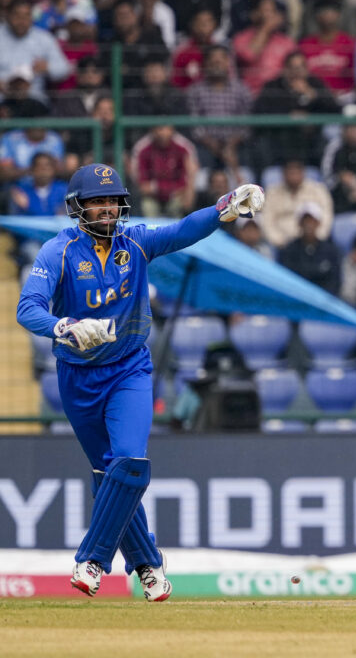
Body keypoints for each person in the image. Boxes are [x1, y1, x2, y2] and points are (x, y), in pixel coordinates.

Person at [15, 163, 264, 600]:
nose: (107, 209)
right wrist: (64, 326)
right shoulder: (58, 251)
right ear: (77, 207)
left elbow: (182, 231)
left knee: (129, 461)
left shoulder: (136, 242)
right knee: (109, 474)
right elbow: (27, 308)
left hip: (128, 369)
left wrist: (224, 207)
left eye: (112, 201)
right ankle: (148, 564)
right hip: (77, 377)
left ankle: (92, 560)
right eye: (97, 201)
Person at [277, 203, 341, 294]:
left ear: (318, 223)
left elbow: (335, 282)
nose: (308, 224)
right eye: (305, 220)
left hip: (323, 299)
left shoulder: (331, 251)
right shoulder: (288, 251)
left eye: (312, 221)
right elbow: (286, 279)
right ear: (299, 223)